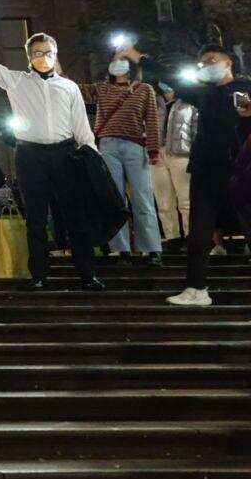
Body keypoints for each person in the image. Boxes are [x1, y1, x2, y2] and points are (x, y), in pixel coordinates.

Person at [0, 25, 104, 291]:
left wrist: (94, 159)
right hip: (30, 155)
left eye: (48, 52)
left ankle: (87, 274)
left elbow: (82, 127)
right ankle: (39, 275)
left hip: (65, 154)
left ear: (55, 54)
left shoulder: (69, 87)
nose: (43, 57)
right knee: (35, 217)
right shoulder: (16, 81)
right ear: (29, 56)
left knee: (75, 216)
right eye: (37, 53)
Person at [121, 42, 251, 305]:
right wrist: (138, 56)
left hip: (241, 168)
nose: (207, 66)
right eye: (203, 63)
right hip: (206, 169)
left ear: (228, 62)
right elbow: (168, 75)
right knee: (199, 230)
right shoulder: (202, 92)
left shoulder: (245, 87)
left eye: (212, 60)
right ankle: (196, 288)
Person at [80, 55, 163, 265]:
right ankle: (120, 249)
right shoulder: (102, 88)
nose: (117, 63)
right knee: (115, 199)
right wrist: (57, 71)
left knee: (142, 197)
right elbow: (76, 90)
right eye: (114, 60)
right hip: (107, 145)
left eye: (122, 59)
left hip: (136, 145)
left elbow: (151, 119)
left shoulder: (144, 89)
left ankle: (152, 248)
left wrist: (153, 148)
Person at [153, 81, 195, 245]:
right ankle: (172, 238)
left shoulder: (189, 100)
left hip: (182, 153)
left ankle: (192, 237)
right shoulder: (154, 101)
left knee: (186, 199)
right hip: (156, 154)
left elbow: (196, 128)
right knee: (163, 201)